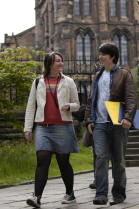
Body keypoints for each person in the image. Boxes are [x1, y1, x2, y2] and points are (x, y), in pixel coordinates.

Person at [24, 52, 80, 208]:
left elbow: (77, 104)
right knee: (42, 159)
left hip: (63, 126)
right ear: (49, 64)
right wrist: (28, 127)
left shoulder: (68, 82)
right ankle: (37, 197)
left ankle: (70, 194)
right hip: (43, 127)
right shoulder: (38, 82)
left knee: (63, 162)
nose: (61, 63)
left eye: (61, 60)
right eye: (57, 61)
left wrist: (69, 106)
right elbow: (31, 106)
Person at [85, 43, 137, 206]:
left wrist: (128, 117)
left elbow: (131, 98)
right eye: (100, 54)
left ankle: (119, 194)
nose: (100, 57)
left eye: (104, 54)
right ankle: (100, 195)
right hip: (99, 124)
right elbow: (90, 100)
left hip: (118, 123)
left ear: (112, 56)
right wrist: (89, 120)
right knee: (100, 158)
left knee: (118, 161)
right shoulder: (97, 75)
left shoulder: (124, 74)